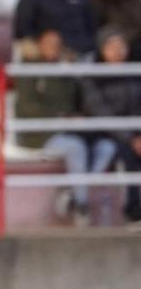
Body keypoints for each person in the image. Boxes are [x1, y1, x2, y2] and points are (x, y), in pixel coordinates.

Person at [15, 28, 109, 225]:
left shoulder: (66, 71)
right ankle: (82, 204)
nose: (54, 48)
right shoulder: (29, 70)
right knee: (76, 147)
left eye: (58, 45)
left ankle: (75, 195)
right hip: (39, 133)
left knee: (106, 147)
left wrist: (75, 73)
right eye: (49, 44)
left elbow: (80, 101)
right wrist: (61, 118)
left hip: (69, 129)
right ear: (39, 45)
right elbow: (27, 108)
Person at [81, 29, 141, 223]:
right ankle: (133, 210)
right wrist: (131, 138)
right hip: (106, 133)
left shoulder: (135, 72)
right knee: (126, 154)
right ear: (101, 49)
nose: (117, 51)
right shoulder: (94, 76)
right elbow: (99, 112)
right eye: (111, 46)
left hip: (135, 133)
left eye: (121, 46)